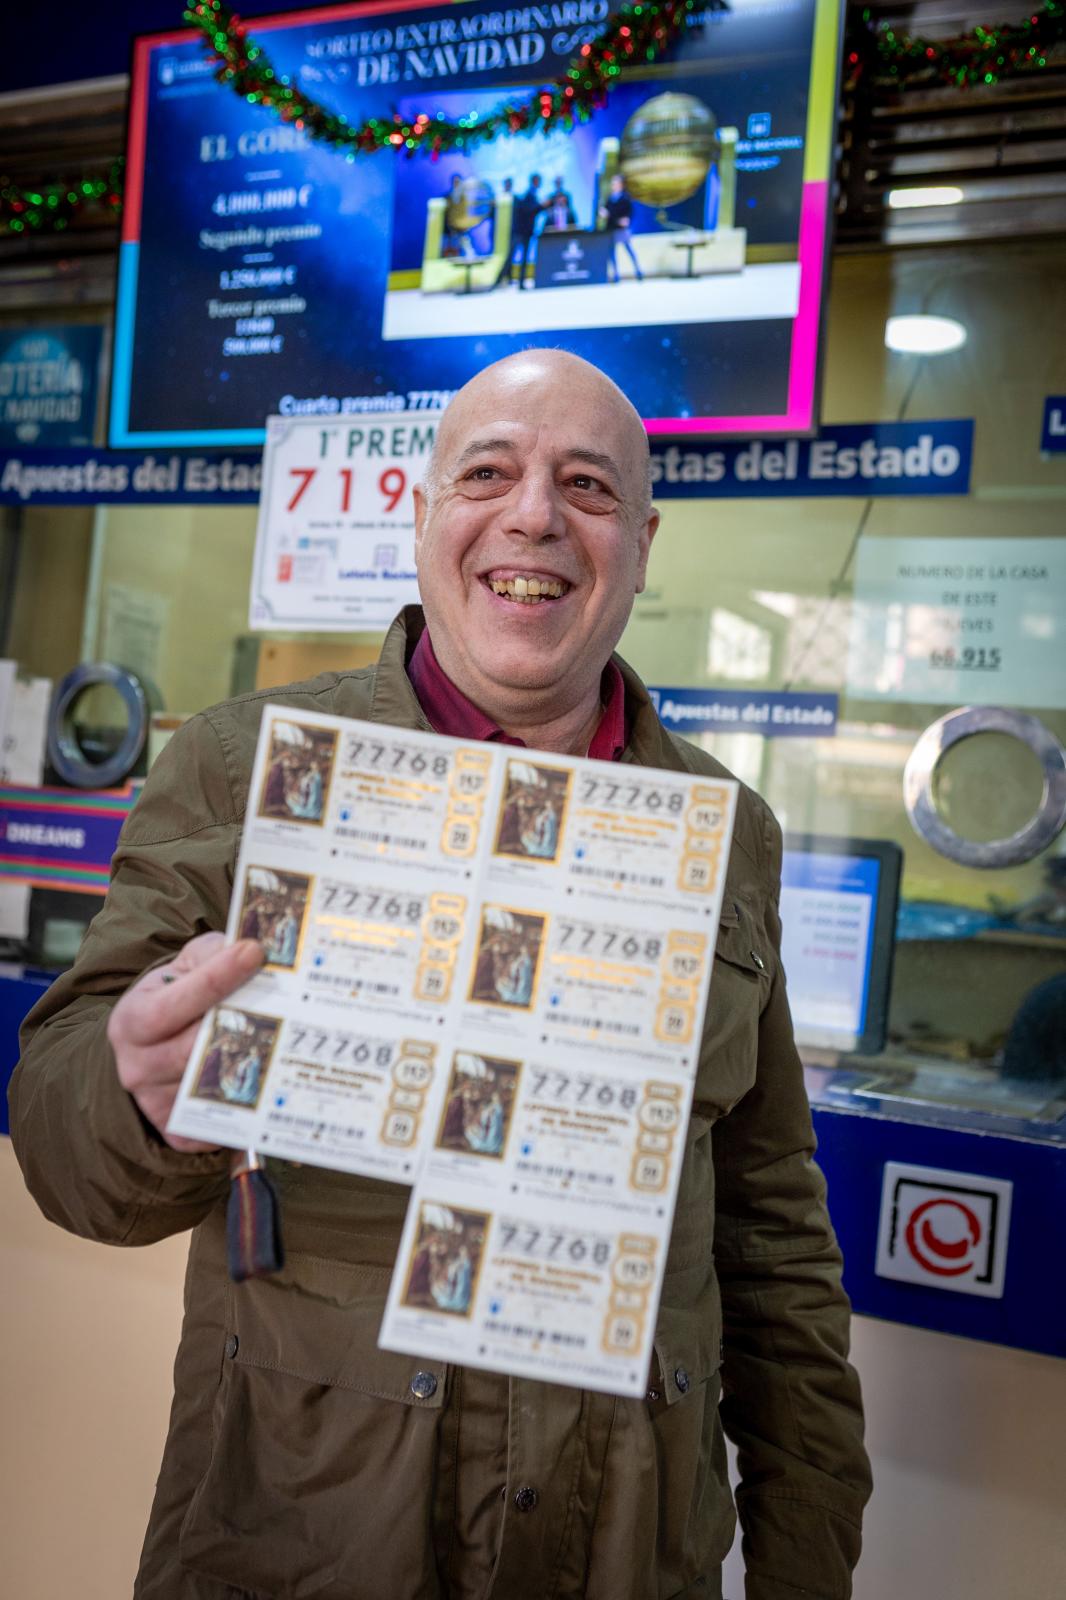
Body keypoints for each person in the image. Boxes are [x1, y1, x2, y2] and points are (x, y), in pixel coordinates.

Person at [9, 349, 870, 1600]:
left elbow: (772, 1228)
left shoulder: (726, 829)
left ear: (641, 538)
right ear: (423, 516)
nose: (534, 515)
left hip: (623, 1551)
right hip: (304, 1542)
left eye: (586, 485)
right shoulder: (244, 765)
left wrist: (805, 1564)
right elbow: (65, 1153)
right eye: (490, 472)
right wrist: (137, 1097)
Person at [496, 171, 541, 288]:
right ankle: (499, 280)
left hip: (524, 232)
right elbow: (529, 210)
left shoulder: (526, 195)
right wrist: (542, 206)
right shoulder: (527, 195)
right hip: (519, 231)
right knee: (511, 256)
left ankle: (518, 282)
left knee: (522, 257)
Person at [602, 172, 644, 282]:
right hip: (611, 228)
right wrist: (604, 213)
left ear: (621, 184)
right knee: (611, 252)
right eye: (613, 183)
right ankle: (616, 274)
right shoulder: (610, 198)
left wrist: (626, 221)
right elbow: (607, 212)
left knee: (628, 249)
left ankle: (638, 270)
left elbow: (629, 212)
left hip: (622, 229)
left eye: (615, 183)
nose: (613, 185)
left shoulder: (625, 198)